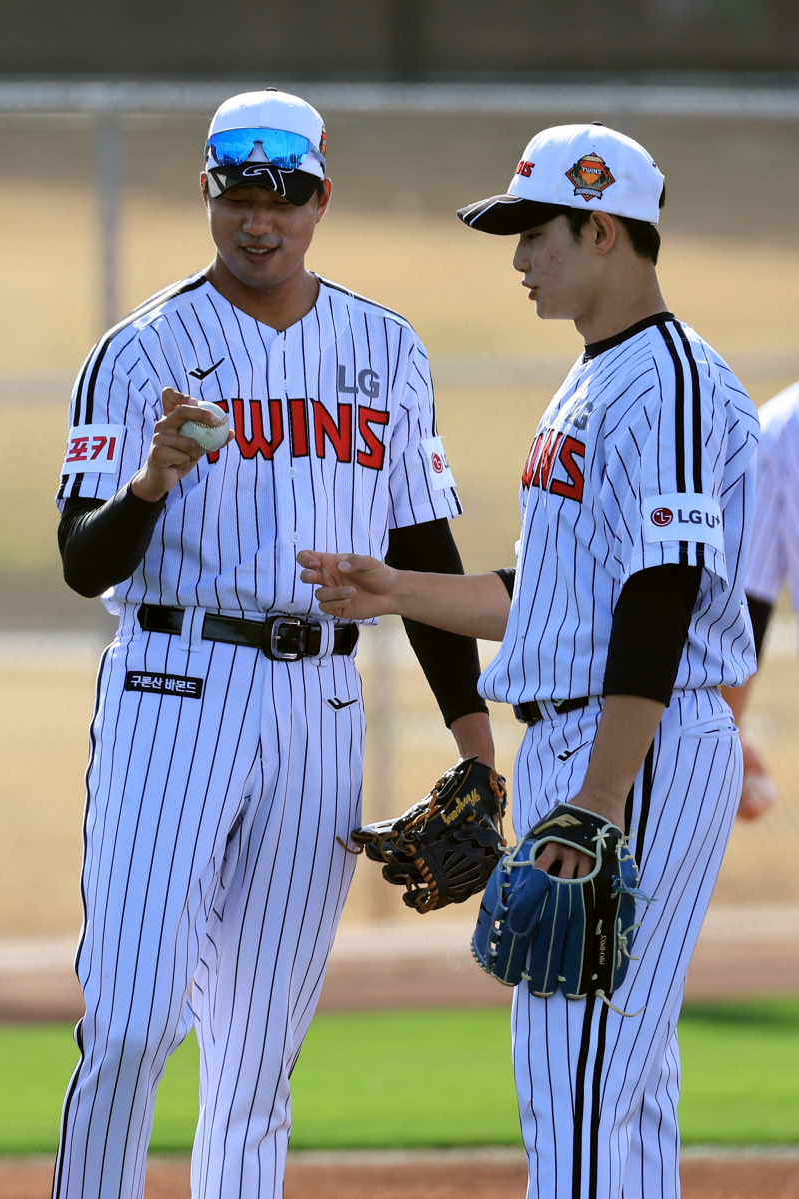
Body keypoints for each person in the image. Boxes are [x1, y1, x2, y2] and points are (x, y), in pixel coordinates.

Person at [299, 122, 759, 1199]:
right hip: (597, 737)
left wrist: (597, 800)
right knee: (613, 1081)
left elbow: (661, 592)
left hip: (630, 746)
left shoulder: (670, 384)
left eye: (532, 233)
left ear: (601, 229)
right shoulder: (598, 380)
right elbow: (551, 597)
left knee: (578, 1079)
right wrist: (395, 588)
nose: (517, 259)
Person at [53, 88, 494, 1199]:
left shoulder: (385, 348)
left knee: (257, 1056)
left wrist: (475, 740)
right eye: (240, 194)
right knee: (132, 1018)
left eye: (285, 196)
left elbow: (423, 544)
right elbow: (82, 560)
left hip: (320, 705)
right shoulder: (140, 350)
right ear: (208, 194)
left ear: (321, 199)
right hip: (173, 683)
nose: (262, 220)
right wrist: (149, 483)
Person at [720, 382, 799, 820]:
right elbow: (746, 607)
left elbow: (743, 609)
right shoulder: (780, 431)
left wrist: (726, 744)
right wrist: (729, 739)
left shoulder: (780, 429)